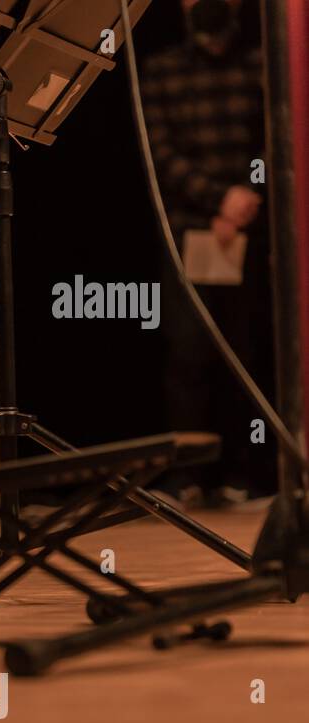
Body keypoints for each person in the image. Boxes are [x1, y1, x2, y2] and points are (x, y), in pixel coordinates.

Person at [142, 0, 275, 507]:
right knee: (188, 356)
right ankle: (187, 479)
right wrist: (218, 201)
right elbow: (163, 156)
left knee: (246, 352)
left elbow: (270, 142)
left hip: (248, 229)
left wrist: (245, 198)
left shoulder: (259, 65)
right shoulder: (161, 72)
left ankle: (249, 473)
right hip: (188, 232)